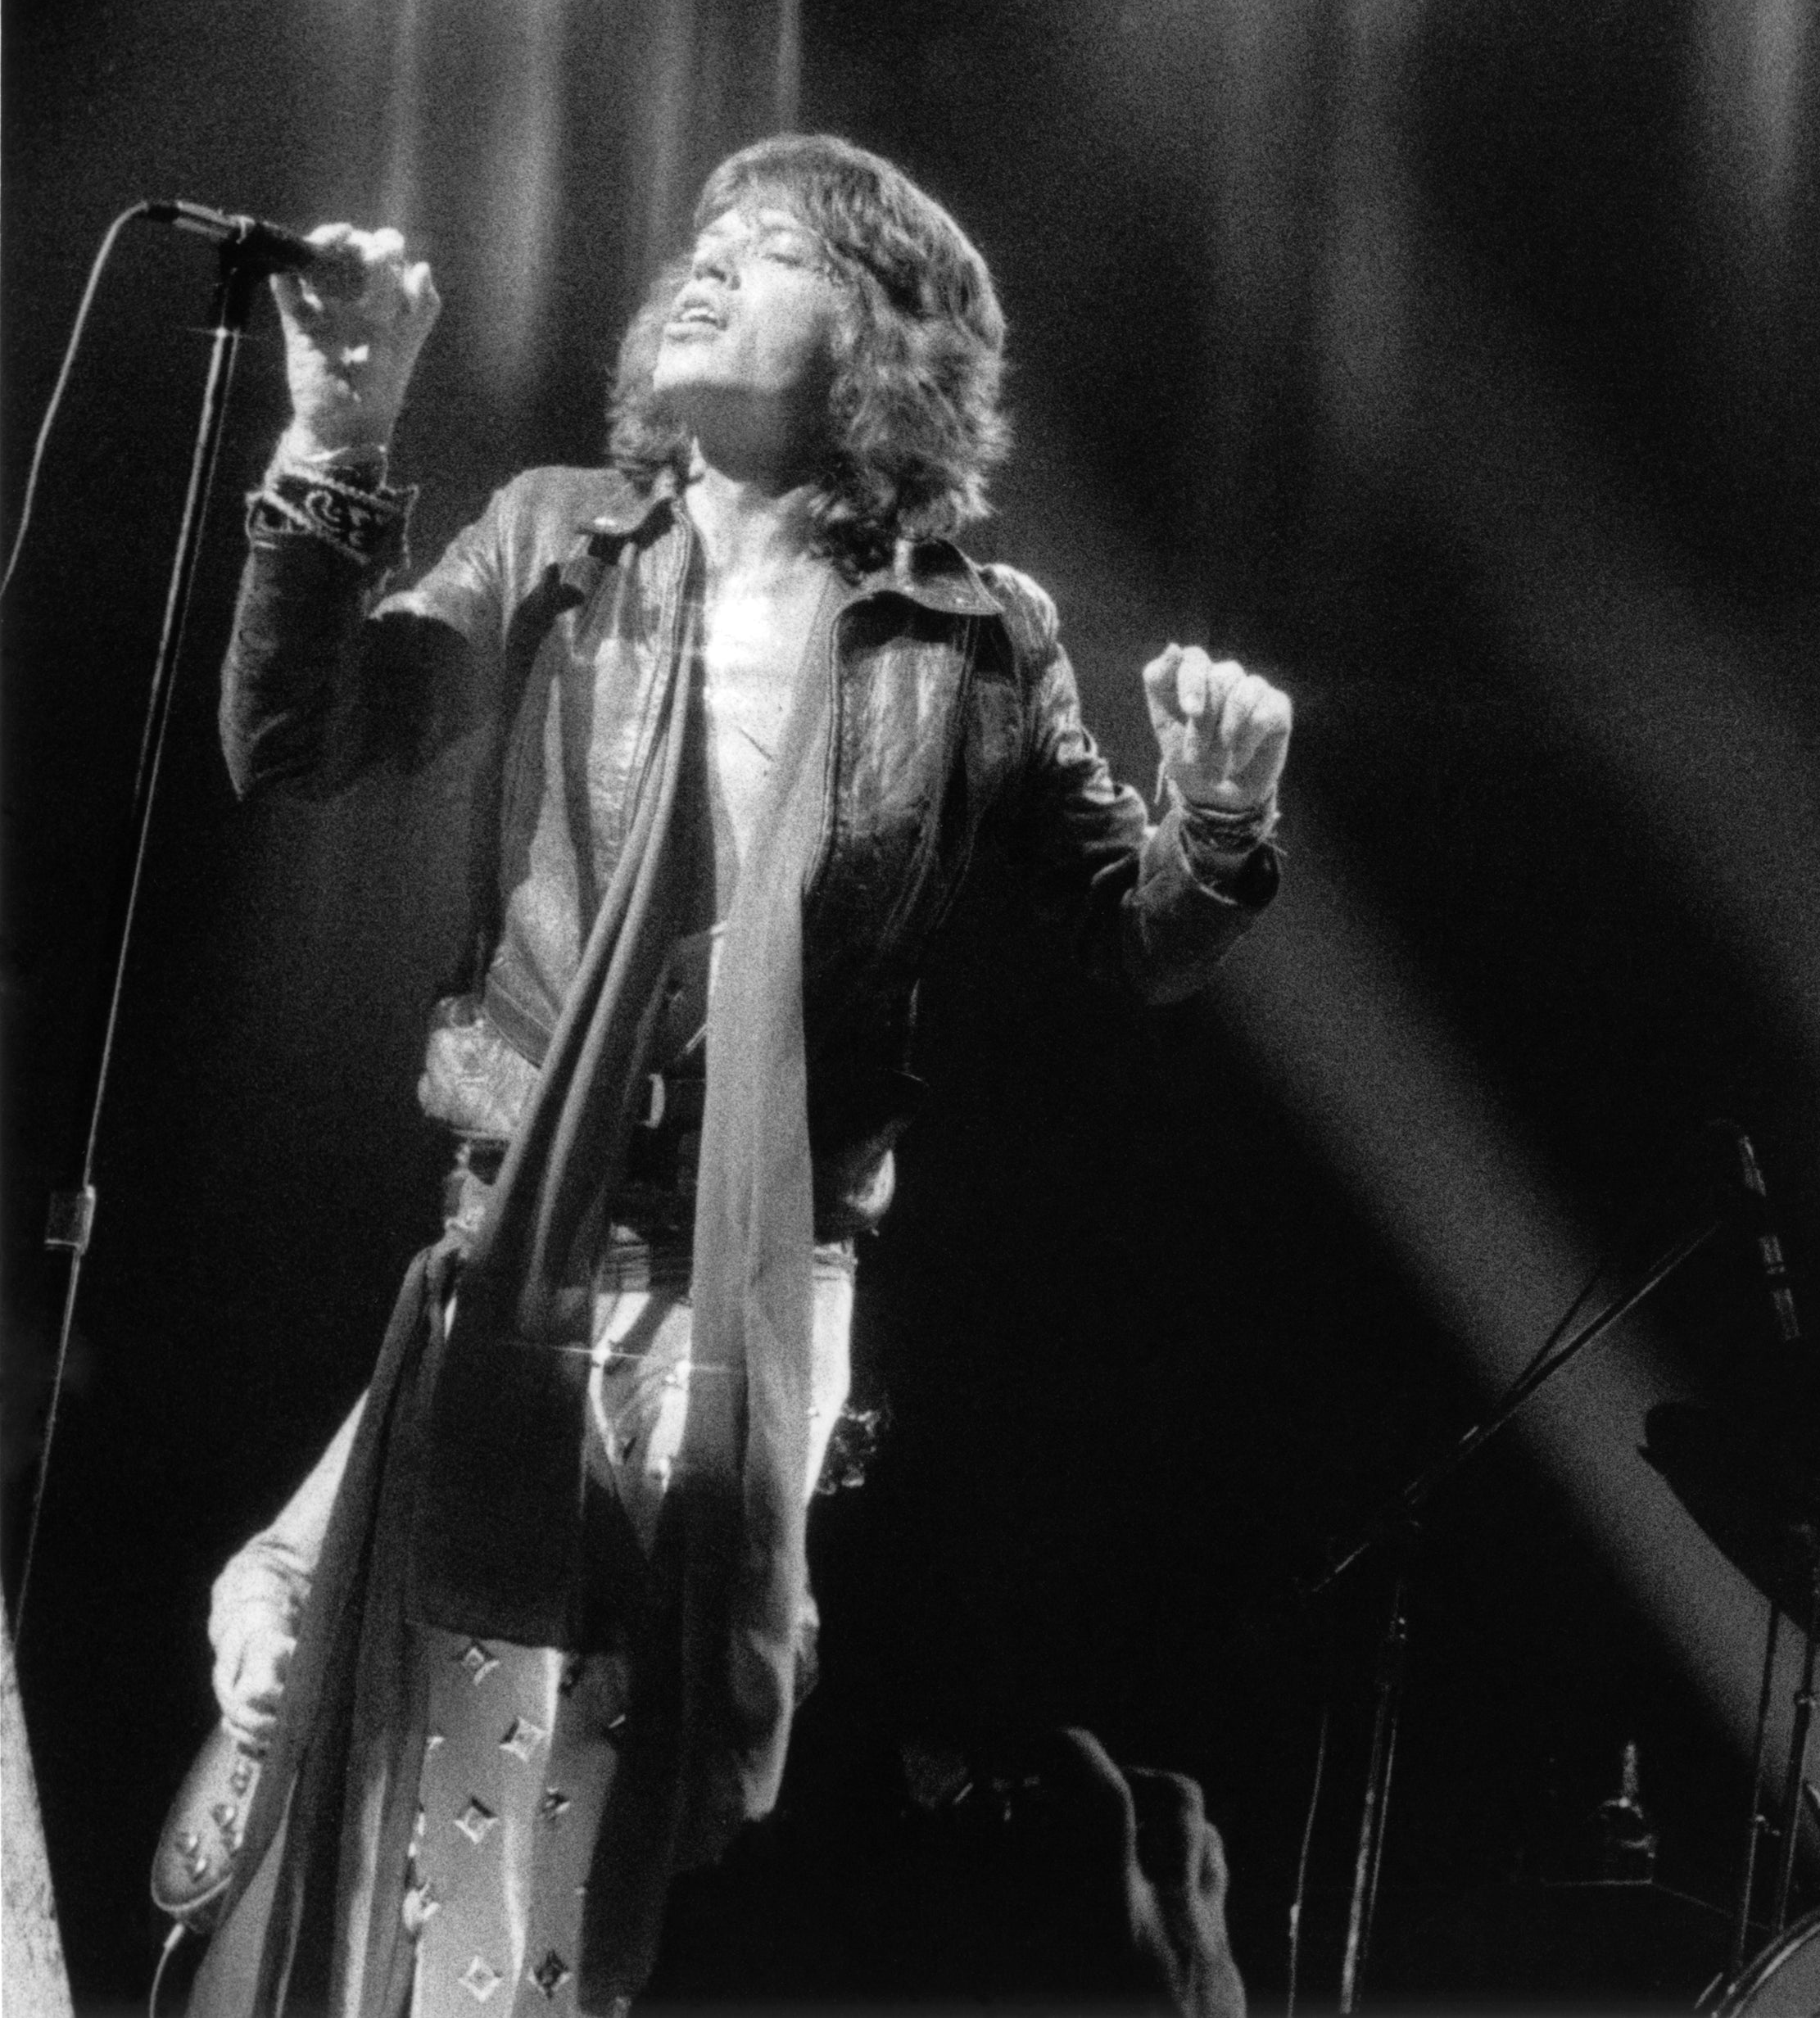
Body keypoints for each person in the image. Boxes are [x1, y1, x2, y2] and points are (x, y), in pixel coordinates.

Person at [188, 133, 1288, 2018]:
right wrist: (337, 440)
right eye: (702, 239)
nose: (702, 265)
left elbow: (1141, 931)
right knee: (470, 1740)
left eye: (769, 249)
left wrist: (1223, 812)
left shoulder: (975, 638)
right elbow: (295, 737)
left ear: (880, 345)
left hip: (764, 1274)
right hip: (524, 1231)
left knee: (636, 1747)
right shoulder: (556, 538)